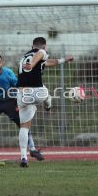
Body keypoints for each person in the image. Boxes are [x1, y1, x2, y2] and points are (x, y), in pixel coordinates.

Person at [0, 53, 44, 162]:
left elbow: (18, 86)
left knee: (23, 123)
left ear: (2, 63)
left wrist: (21, 100)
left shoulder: (8, 73)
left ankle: (32, 149)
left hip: (9, 101)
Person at [17, 37, 73, 167]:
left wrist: (64, 60)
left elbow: (47, 62)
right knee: (47, 96)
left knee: (24, 127)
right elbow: (40, 55)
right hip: (37, 92)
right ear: (44, 46)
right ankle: (48, 104)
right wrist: (33, 63)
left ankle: (23, 157)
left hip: (22, 94)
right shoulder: (41, 52)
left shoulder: (24, 57)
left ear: (32, 46)